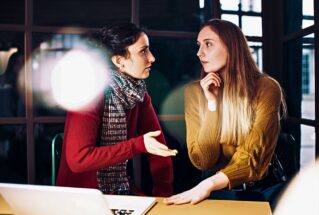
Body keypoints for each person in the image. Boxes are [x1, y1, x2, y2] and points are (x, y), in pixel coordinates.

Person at [164, 19, 286, 208]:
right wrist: (213, 105)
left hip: (263, 189)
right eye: (199, 45)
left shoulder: (267, 87)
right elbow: (203, 160)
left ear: (232, 47)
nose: (199, 52)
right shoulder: (195, 92)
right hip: (216, 191)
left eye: (208, 44)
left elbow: (253, 157)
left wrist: (209, 184)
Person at [56, 23, 177, 197]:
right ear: (119, 61)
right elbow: (78, 160)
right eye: (143, 51)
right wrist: (137, 145)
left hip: (118, 191)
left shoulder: (138, 93)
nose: (152, 58)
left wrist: (164, 194)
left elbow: (159, 148)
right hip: (80, 198)